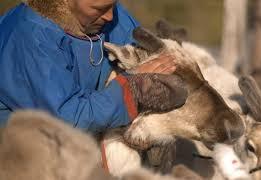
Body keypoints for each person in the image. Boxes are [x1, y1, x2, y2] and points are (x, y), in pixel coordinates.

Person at [0, 0, 188, 134]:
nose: (110, 16)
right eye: (100, 8)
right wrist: (134, 89)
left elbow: (139, 52)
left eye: (113, 5)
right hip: (28, 154)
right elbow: (67, 119)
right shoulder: (29, 37)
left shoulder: (107, 16)